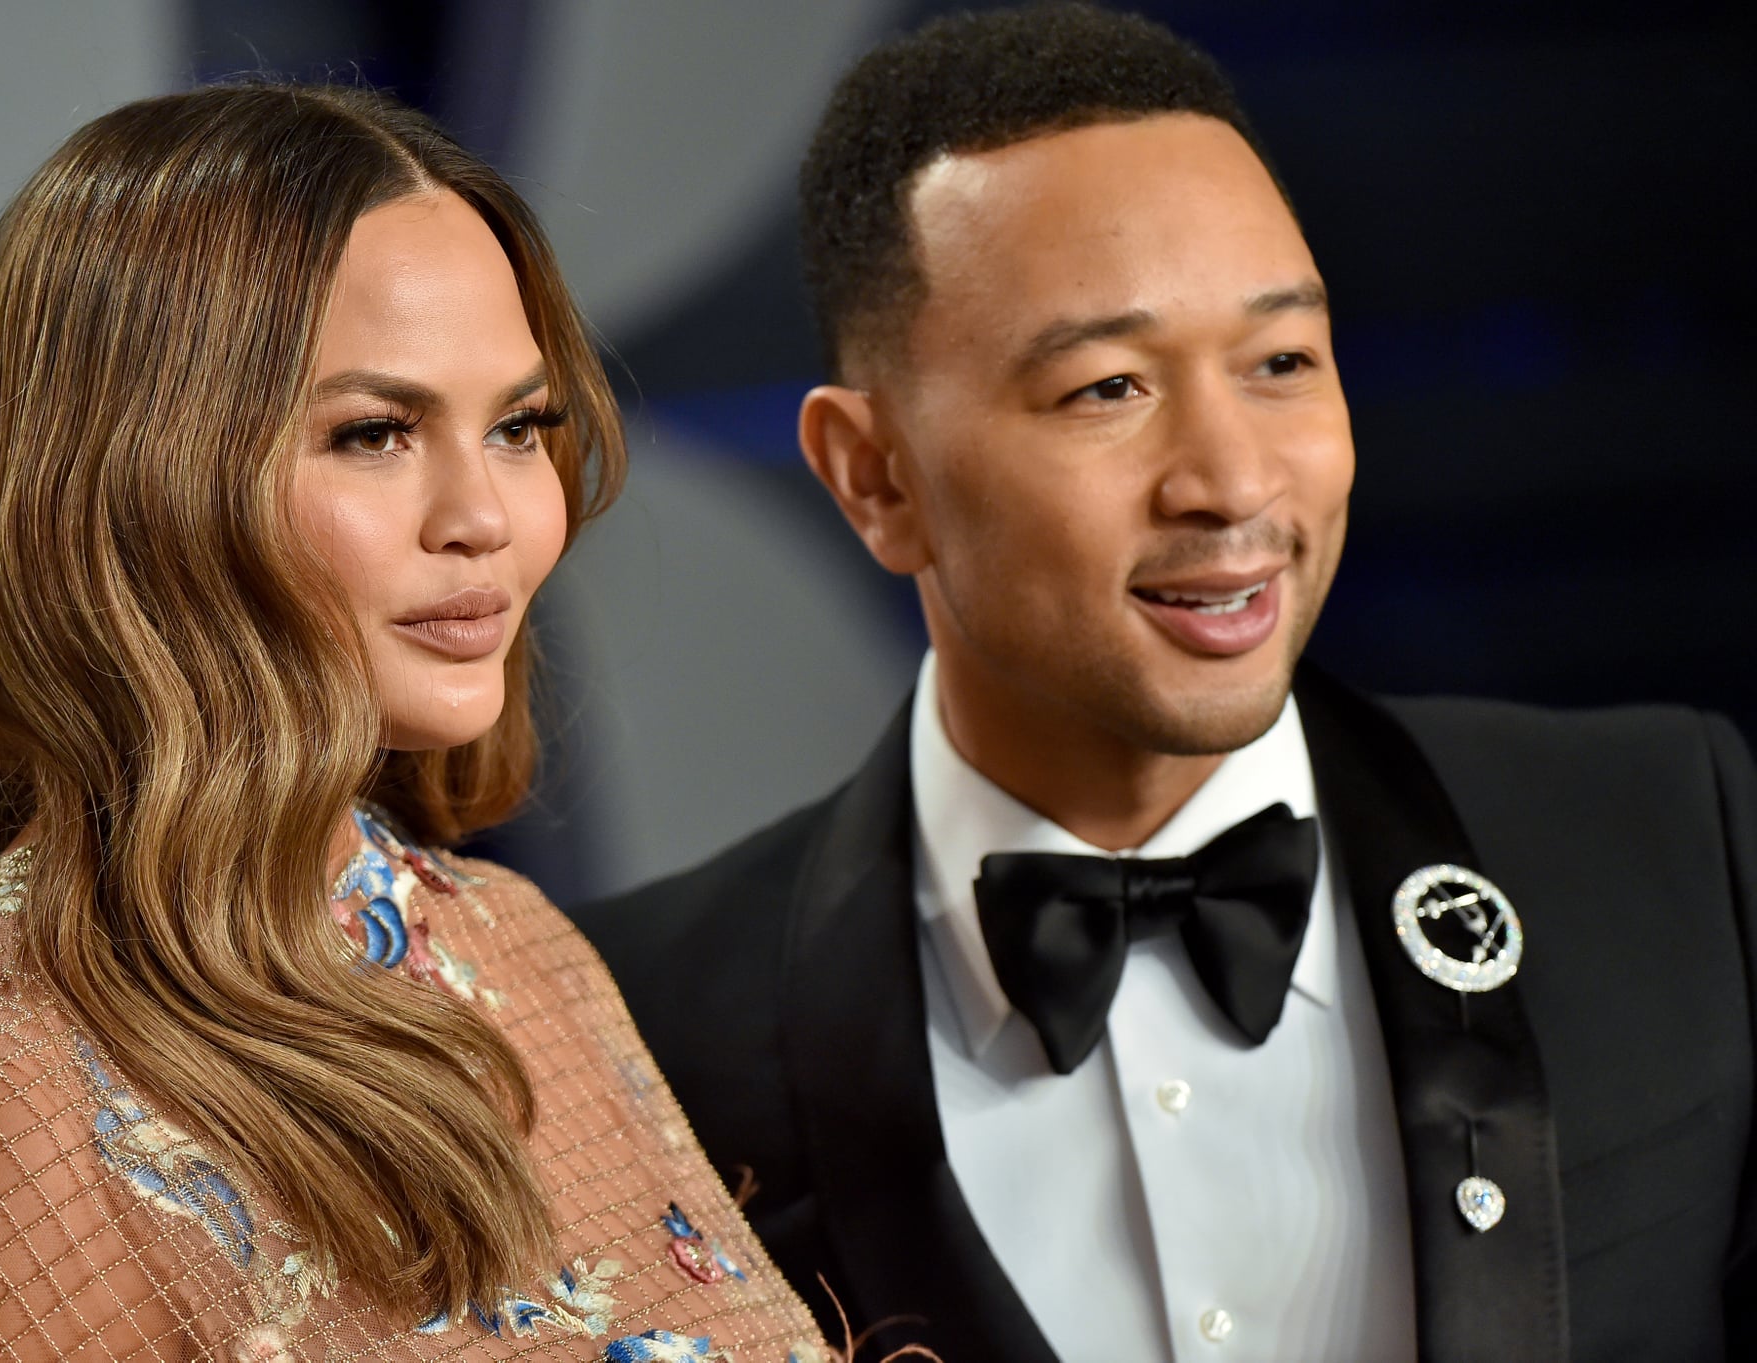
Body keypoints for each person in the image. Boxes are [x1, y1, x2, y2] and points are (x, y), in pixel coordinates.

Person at [574, 7, 1757, 1362]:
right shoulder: (632, 1032)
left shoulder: (1671, 836)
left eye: (1281, 364)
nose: (1234, 481)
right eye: (1108, 387)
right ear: (875, 477)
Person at [0, 84, 829, 1363]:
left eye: (516, 426)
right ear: (136, 488)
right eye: (375, 433)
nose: (482, 515)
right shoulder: (7, 1074)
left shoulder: (520, 951)